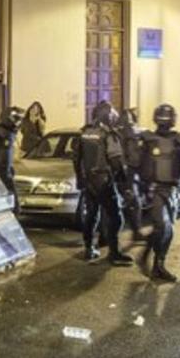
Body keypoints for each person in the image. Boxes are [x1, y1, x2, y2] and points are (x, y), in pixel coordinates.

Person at [137, 104, 180, 282]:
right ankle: (153, 260)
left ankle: (156, 263)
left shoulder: (178, 140)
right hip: (154, 189)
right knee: (163, 226)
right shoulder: (146, 139)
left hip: (171, 189)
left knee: (168, 230)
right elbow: (136, 164)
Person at [73, 101, 134, 266]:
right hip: (104, 181)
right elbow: (116, 161)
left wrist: (80, 179)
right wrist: (124, 183)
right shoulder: (109, 135)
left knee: (92, 215)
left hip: (88, 182)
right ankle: (114, 253)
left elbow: (76, 159)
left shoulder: (85, 133)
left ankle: (88, 248)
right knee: (116, 217)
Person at [116, 108, 146, 242]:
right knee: (135, 203)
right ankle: (137, 231)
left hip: (115, 172)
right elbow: (135, 158)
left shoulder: (113, 133)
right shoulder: (132, 134)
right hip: (128, 173)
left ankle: (106, 236)